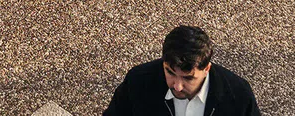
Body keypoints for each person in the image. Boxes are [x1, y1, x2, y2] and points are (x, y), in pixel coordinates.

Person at [104, 25, 261, 116]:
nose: (177, 86)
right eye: (170, 73)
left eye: (188, 78)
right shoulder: (138, 82)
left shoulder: (238, 96)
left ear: (206, 68)